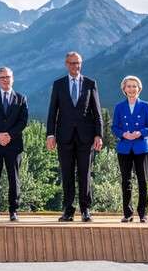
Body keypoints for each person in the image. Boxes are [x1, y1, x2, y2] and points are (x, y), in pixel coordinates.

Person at [46, 51, 103, 222]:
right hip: (64, 137)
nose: (75, 66)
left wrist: (99, 135)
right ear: (66, 64)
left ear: (81, 64)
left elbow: (97, 112)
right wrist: (51, 134)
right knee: (67, 174)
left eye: (77, 63)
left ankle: (86, 210)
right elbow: (52, 112)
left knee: (85, 174)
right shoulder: (58, 84)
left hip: (86, 138)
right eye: (71, 63)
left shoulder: (90, 83)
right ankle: (68, 210)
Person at [0, 67, 28, 222]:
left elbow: (23, 121)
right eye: (2, 77)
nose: (5, 80)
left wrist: (9, 135)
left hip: (13, 145)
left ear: (12, 78)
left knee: (14, 179)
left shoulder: (21, 98)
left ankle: (13, 211)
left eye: (7, 77)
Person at [111, 75, 148, 223]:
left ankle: (143, 214)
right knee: (126, 181)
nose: (131, 89)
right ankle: (128, 213)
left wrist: (140, 133)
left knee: (142, 181)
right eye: (128, 86)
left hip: (141, 147)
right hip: (124, 148)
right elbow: (114, 127)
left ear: (139, 89)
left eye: (134, 86)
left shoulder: (145, 105)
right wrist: (123, 133)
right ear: (124, 89)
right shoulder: (119, 107)